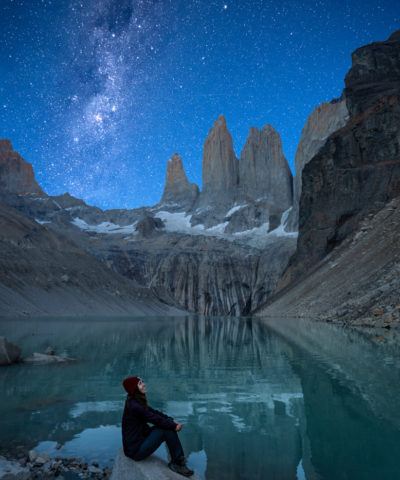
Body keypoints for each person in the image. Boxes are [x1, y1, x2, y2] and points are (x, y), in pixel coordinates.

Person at [121, 376, 194, 477]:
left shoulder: (135, 401)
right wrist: (174, 426)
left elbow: (154, 412)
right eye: (140, 383)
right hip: (135, 451)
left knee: (167, 425)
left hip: (139, 440)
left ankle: (177, 462)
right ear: (134, 388)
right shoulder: (135, 406)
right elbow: (154, 419)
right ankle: (177, 463)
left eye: (142, 381)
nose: (143, 384)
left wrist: (170, 420)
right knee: (166, 430)